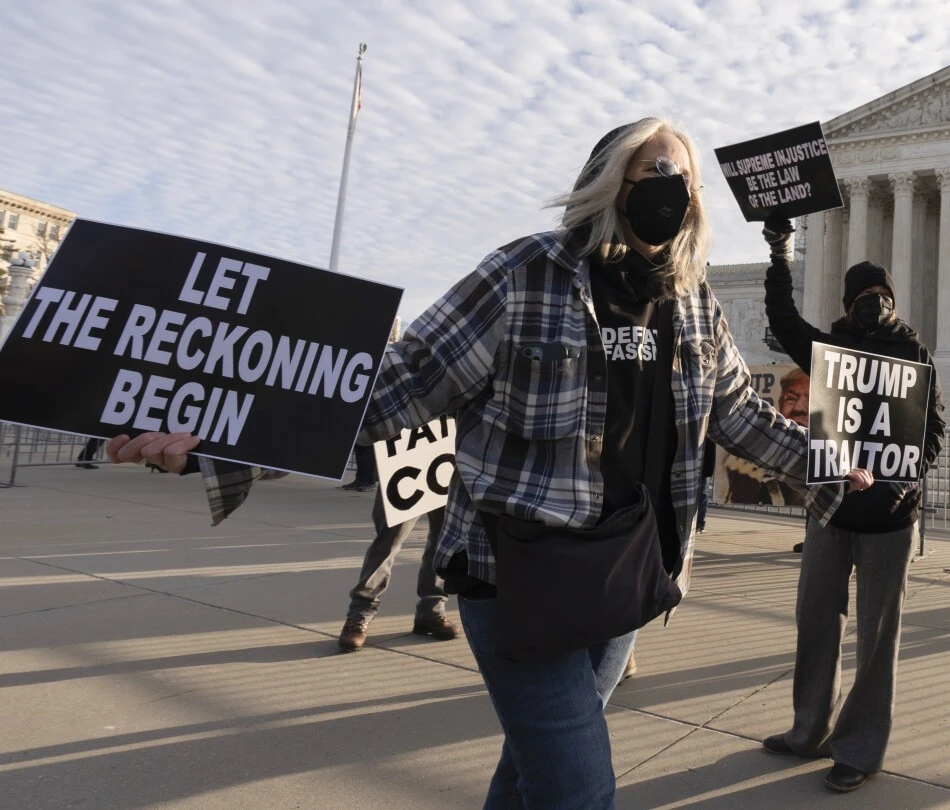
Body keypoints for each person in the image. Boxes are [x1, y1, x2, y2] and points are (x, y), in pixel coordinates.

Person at [106, 118, 872, 809]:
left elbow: (737, 412)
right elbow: (398, 387)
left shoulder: (692, 299)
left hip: (629, 572)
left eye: (686, 180)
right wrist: (217, 441)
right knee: (579, 790)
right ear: (611, 184)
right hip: (518, 576)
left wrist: (829, 463)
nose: (675, 193)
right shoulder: (524, 275)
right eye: (656, 175)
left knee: (532, 772)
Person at [760, 219, 946, 793]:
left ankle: (859, 749)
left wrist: (895, 478)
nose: (875, 303)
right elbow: (783, 320)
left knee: (876, 638)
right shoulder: (829, 350)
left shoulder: (915, 353)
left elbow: (932, 433)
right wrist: (780, 255)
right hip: (830, 511)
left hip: (890, 518)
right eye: (865, 297)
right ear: (848, 303)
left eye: (883, 296)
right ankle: (807, 732)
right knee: (815, 623)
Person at [338, 492, 457, 651]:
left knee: (442, 542)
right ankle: (359, 615)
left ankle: (431, 611)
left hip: (449, 471)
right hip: (405, 471)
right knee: (388, 541)